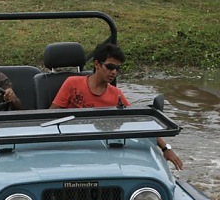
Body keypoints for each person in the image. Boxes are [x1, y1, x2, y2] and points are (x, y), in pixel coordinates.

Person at [49, 43, 184, 170]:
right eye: (110, 67)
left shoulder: (116, 95)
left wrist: (166, 148)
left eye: (117, 69)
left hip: (98, 148)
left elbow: (139, 121)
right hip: (69, 144)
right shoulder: (72, 84)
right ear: (97, 64)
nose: (114, 72)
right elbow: (51, 115)